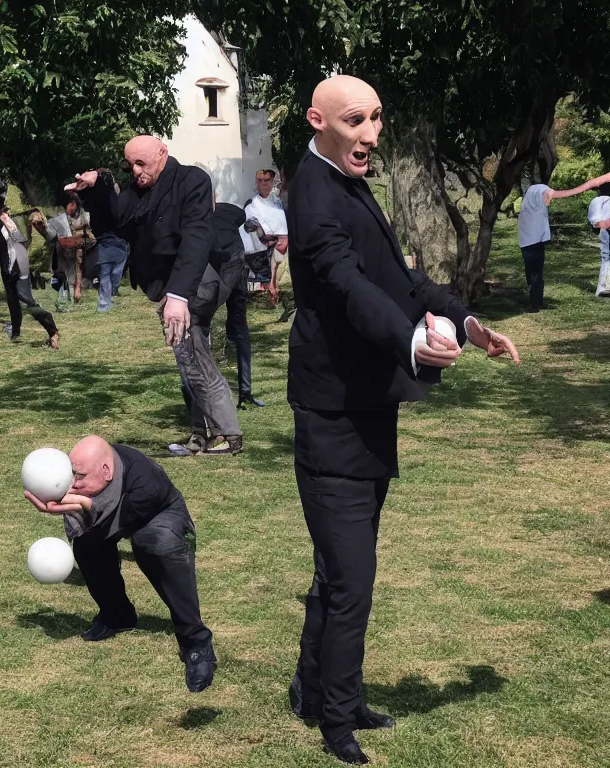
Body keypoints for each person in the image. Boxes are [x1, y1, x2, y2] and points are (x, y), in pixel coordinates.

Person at [287, 75, 521, 765]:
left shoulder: (347, 180)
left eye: (378, 119)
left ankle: (320, 688)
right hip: (332, 416)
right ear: (319, 120)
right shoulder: (314, 191)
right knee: (351, 579)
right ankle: (337, 719)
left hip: (365, 410)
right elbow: (347, 286)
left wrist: (466, 323)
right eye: (356, 121)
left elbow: (400, 280)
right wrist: (414, 341)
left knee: (341, 573)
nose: (371, 134)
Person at [70, 136, 243, 455]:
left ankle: (227, 435)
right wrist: (99, 186)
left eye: (141, 163)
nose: (135, 171)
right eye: (130, 164)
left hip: (196, 283)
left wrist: (179, 296)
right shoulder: (137, 191)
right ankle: (205, 434)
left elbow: (197, 239)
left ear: (162, 153)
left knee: (192, 358)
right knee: (189, 358)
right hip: (170, 288)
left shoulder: (192, 180)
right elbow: (113, 225)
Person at [23, 435, 216, 693]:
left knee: (155, 542)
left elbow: (119, 520)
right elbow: (90, 526)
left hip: (160, 515)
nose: (73, 483)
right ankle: (117, 616)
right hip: (117, 510)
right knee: (87, 544)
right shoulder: (88, 475)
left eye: (79, 476)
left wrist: (86, 505)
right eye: (71, 474)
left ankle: (196, 640)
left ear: (106, 471)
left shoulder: (147, 483)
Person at [517, 171, 610, 311]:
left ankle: (536, 303)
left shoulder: (531, 207)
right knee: (535, 274)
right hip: (532, 243)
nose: (549, 198)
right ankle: (535, 305)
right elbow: (597, 222)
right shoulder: (534, 205)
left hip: (532, 242)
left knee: (535, 273)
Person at [0, 188, 60, 348]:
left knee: (27, 301)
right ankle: (16, 332)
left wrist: (15, 264)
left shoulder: (9, 223)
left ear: (3, 207)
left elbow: (22, 243)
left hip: (18, 266)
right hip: (5, 268)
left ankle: (52, 330)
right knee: (12, 301)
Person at [211, 202, 267, 409]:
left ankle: (239, 392)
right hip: (229, 273)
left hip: (222, 275)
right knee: (238, 333)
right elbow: (241, 218)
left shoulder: (198, 214)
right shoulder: (228, 211)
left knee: (225, 332)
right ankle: (241, 392)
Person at [32, 192, 94, 308]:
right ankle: (64, 301)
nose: (68, 208)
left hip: (78, 253)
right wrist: (42, 228)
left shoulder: (85, 216)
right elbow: (51, 235)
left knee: (73, 277)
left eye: (70, 205)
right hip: (62, 252)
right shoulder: (60, 219)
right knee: (61, 277)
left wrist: (80, 240)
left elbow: (89, 235)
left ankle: (71, 300)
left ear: (74, 204)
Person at [244, 169, 290, 305]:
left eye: (267, 180)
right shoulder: (252, 205)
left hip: (283, 245)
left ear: (272, 181)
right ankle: (270, 295)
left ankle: (277, 296)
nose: (263, 184)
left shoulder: (277, 202)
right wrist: (267, 237)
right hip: (267, 246)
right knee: (272, 274)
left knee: (280, 274)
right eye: (260, 181)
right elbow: (253, 224)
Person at [588, 196, 610, 296]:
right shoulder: (602, 200)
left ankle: (603, 287)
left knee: (606, 258)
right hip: (606, 229)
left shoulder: (600, 200)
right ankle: (603, 288)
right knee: (606, 257)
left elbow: (594, 219)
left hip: (605, 229)